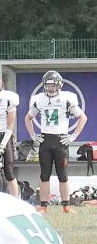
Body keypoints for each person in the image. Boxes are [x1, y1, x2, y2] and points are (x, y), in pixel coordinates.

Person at [24, 70, 88, 213]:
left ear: (59, 85)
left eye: (53, 85)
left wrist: (73, 136)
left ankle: (66, 206)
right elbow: (28, 118)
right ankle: (43, 206)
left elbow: (82, 117)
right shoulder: (39, 99)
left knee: (63, 175)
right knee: (44, 174)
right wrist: (33, 135)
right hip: (45, 140)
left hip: (60, 140)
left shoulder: (67, 99)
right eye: (48, 85)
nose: (50, 88)